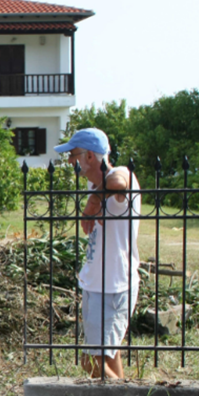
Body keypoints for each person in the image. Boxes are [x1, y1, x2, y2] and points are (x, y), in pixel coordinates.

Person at [56, 128, 140, 379]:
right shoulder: (94, 184)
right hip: (98, 284)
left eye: (73, 155)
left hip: (114, 286)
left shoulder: (119, 173)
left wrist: (93, 203)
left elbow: (119, 181)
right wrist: (93, 197)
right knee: (108, 355)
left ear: (90, 156)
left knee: (90, 362)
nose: (71, 161)